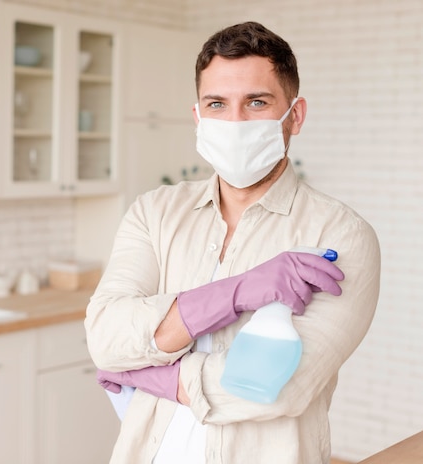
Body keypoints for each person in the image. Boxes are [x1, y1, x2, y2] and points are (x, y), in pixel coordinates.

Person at [84, 21, 381, 464]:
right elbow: (106, 339)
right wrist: (239, 291)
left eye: (257, 102)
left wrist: (149, 373)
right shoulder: (155, 213)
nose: (235, 121)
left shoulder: (340, 236)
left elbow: (280, 389)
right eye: (217, 104)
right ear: (198, 116)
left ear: (294, 116)